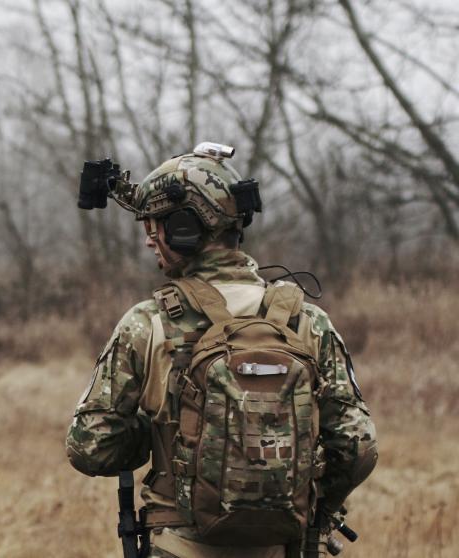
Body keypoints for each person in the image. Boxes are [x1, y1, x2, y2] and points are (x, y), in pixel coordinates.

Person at [65, 143, 378, 558]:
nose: (149, 241)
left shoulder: (148, 322)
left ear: (183, 228)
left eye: (153, 226)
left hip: (177, 547)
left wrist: (158, 435)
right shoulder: (307, 322)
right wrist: (319, 508)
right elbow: (357, 444)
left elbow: (89, 445)